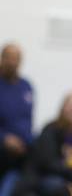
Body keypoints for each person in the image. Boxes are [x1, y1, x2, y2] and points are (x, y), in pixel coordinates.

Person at [12, 91, 72, 196]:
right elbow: (47, 162)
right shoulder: (50, 130)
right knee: (58, 186)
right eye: (70, 105)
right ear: (63, 109)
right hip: (45, 177)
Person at [0, 43, 33, 180]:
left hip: (23, 145)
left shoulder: (26, 86)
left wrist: (24, 142)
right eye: (8, 57)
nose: (12, 62)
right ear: (2, 58)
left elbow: (28, 119)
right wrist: (4, 139)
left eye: (16, 58)